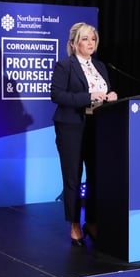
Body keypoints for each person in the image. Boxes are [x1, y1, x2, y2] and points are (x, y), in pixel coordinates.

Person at [50, 22, 117, 247]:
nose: (91, 43)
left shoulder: (100, 66)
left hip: (97, 126)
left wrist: (111, 96)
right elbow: (57, 95)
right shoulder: (65, 65)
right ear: (74, 43)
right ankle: (74, 224)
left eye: (93, 39)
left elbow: (104, 91)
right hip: (71, 126)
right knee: (73, 177)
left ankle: (91, 220)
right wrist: (88, 97)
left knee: (96, 176)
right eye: (85, 39)